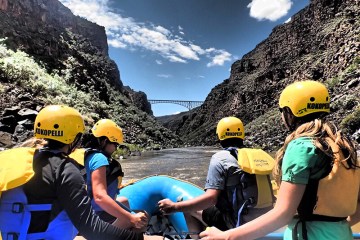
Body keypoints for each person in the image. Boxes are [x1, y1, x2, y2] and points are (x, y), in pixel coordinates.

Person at [199, 80, 360, 240]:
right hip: (341, 233)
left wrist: (226, 236)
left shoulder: (302, 147)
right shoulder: (346, 145)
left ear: (290, 112)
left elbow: (283, 214)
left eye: (283, 111)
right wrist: (332, 225)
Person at [0, 105, 162, 240]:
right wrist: (137, 238)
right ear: (74, 138)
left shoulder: (11, 159)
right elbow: (90, 227)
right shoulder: (65, 168)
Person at [158, 116, 274, 233]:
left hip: (237, 224)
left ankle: (195, 237)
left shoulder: (220, 158)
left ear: (220, 136)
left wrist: (174, 207)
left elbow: (211, 199)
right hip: (265, 221)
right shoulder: (257, 156)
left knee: (188, 209)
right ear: (242, 135)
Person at [81, 119, 148, 230]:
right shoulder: (100, 159)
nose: (116, 148)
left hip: (86, 210)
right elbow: (99, 197)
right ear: (104, 141)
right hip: (96, 214)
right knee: (142, 219)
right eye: (115, 143)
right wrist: (131, 217)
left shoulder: (88, 154)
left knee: (125, 201)